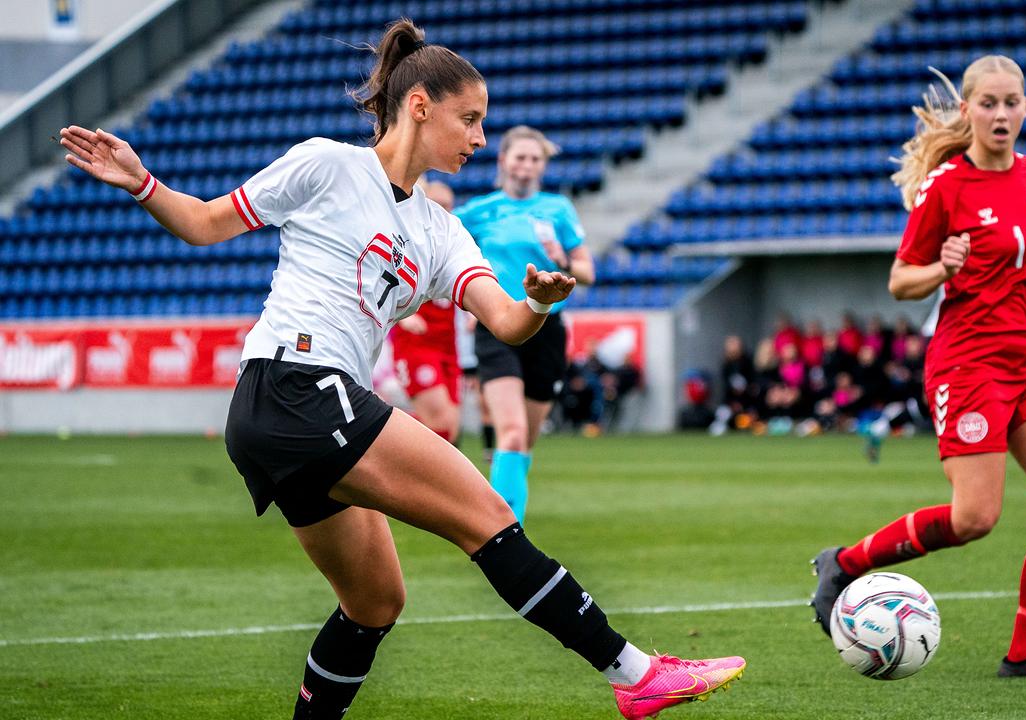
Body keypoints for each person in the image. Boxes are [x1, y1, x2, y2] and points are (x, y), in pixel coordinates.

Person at [60, 20, 742, 720]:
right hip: (297, 385)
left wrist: (538, 301)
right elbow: (205, 223)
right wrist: (141, 181)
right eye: (469, 119)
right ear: (419, 106)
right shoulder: (328, 164)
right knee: (488, 517)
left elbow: (506, 321)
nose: (480, 138)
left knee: (375, 601)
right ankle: (635, 675)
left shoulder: (442, 231)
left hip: (289, 410)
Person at [809, 55, 1026, 678]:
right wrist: (944, 267)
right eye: (988, 103)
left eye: (1012, 102)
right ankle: (845, 563)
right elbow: (901, 280)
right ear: (967, 110)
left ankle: (1024, 656)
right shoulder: (946, 187)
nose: (1001, 114)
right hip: (968, 364)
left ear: (1025, 108)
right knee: (975, 519)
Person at [455, 124, 595, 525]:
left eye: (535, 159)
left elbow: (587, 273)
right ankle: (501, 534)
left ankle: (506, 512)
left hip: (547, 330)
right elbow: (441, 251)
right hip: (498, 325)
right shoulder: (478, 211)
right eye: (520, 157)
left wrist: (562, 260)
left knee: (524, 443)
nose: (527, 165)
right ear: (504, 161)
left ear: (542, 166)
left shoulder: (558, 209)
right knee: (512, 434)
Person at [387, 180, 464, 444]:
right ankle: (381, 438)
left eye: (448, 206)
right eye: (438, 205)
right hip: (417, 344)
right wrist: (405, 316)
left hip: (448, 347)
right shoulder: (410, 240)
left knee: (449, 430)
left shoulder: (453, 243)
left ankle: (385, 440)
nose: (444, 211)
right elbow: (383, 278)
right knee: (441, 423)